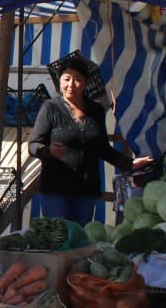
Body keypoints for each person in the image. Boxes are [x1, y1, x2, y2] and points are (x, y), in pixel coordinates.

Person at [28, 54, 150, 226]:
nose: (71, 85)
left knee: (80, 242)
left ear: (85, 83)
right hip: (56, 189)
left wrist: (130, 164)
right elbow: (33, 145)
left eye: (77, 79)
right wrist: (48, 150)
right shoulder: (50, 108)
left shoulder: (96, 110)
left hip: (86, 191)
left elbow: (103, 149)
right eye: (67, 79)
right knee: (59, 242)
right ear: (59, 80)